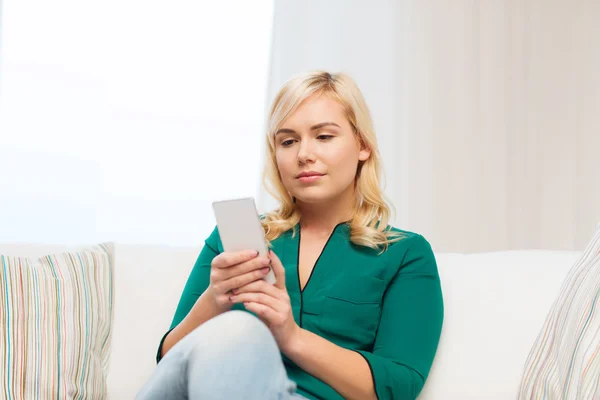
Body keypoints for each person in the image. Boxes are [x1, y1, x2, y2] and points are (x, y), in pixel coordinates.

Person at [136, 71, 444, 400]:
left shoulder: (405, 254)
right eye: (288, 141)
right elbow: (172, 363)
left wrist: (291, 337)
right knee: (234, 331)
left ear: (363, 146)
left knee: (242, 329)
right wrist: (214, 300)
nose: (303, 154)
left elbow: (398, 387)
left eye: (324, 137)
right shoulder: (234, 239)